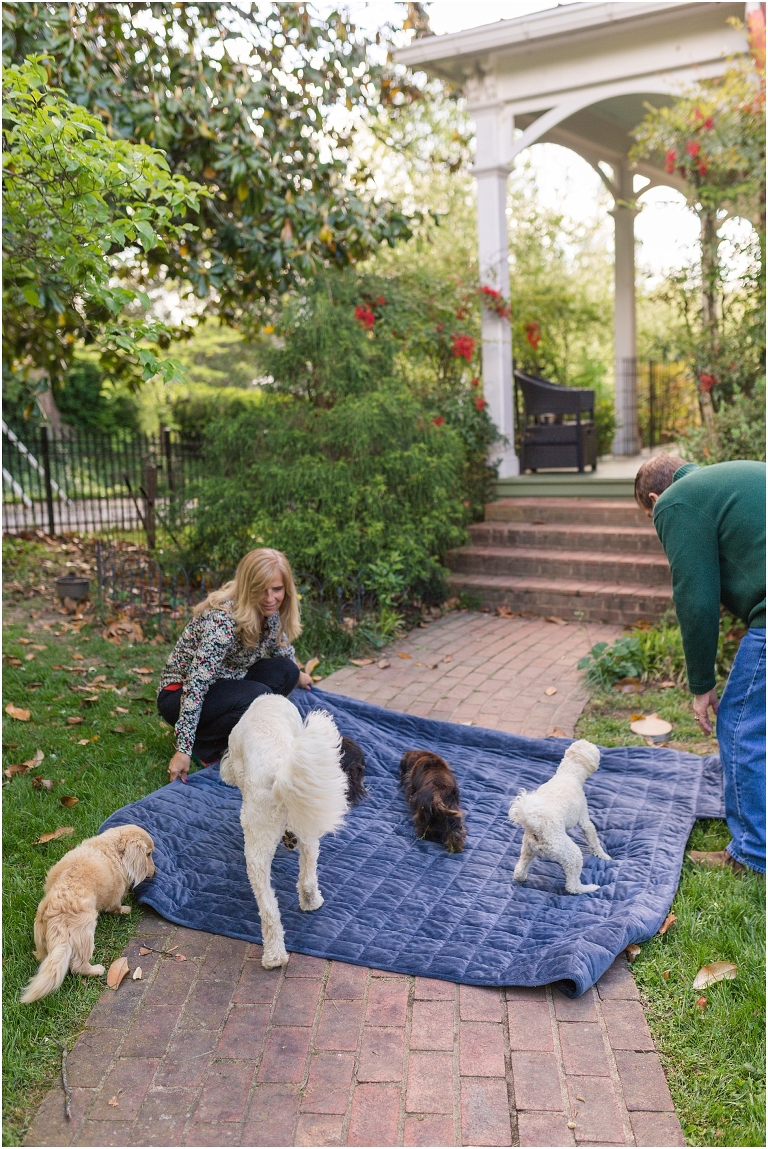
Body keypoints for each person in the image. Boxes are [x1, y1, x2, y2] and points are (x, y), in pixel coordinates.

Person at [634, 454, 765, 874]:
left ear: (654, 498)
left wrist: (701, 684)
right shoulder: (730, 479)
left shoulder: (675, 501)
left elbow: (696, 599)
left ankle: (753, 853)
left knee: (741, 724)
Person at [158, 548, 312, 783]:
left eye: (277, 589)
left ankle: (236, 735)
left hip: (228, 680)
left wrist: (298, 674)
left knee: (286, 672)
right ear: (248, 587)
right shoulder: (224, 620)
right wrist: (183, 749)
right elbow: (196, 684)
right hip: (179, 694)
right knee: (260, 697)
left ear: (286, 588)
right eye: (261, 590)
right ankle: (202, 745)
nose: (270, 598)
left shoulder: (270, 609)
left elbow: (279, 646)